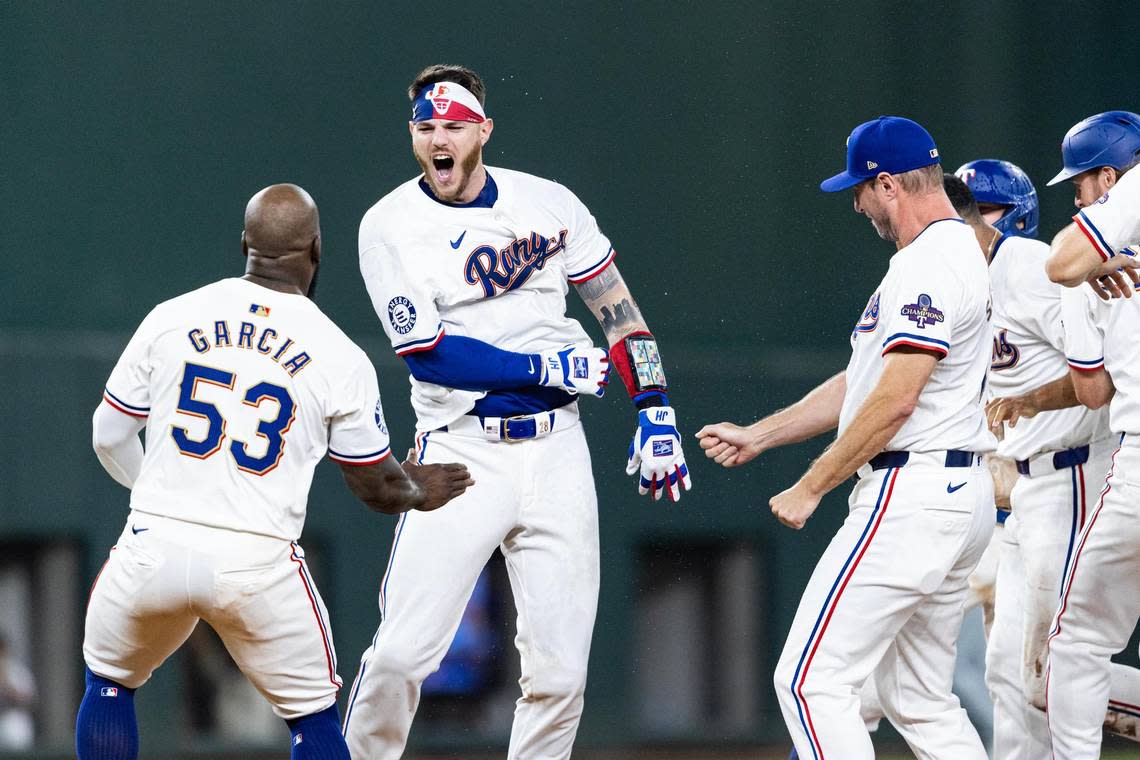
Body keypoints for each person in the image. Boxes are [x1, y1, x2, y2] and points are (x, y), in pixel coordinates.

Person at [342, 64, 691, 760]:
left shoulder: (550, 203)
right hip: (459, 451)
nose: (439, 139)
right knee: (402, 654)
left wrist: (656, 409)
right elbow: (429, 354)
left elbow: (621, 316)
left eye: (454, 126)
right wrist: (543, 367)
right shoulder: (389, 225)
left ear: (484, 131)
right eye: (426, 127)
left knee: (560, 675)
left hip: (559, 447)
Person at [78, 184, 472, 760]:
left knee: (109, 683)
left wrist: (164, 495)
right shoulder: (339, 353)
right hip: (257, 564)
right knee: (313, 721)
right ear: (316, 248)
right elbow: (376, 485)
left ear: (244, 243)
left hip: (153, 546)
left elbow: (107, 434)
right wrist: (416, 489)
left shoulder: (172, 315)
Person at [698, 116, 994, 759]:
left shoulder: (929, 264)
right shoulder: (948, 256)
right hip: (952, 490)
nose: (857, 204)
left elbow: (896, 399)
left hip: (910, 492)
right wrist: (761, 434)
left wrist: (812, 485)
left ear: (888, 184)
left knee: (808, 682)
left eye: (859, 189)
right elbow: (865, 382)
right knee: (919, 699)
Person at [946, 166, 1118, 758]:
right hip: (1030, 489)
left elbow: (1101, 375)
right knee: (1008, 673)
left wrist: (1029, 403)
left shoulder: (1024, 265)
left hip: (1072, 472)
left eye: (982, 207)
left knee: (1054, 672)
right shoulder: (966, 281)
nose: (967, 216)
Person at [1040, 114, 1140, 759]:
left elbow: (1062, 261)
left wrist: (1096, 258)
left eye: (1082, 185)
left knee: (1076, 642)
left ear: (1109, 175)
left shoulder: (1130, 187)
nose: (1079, 197)